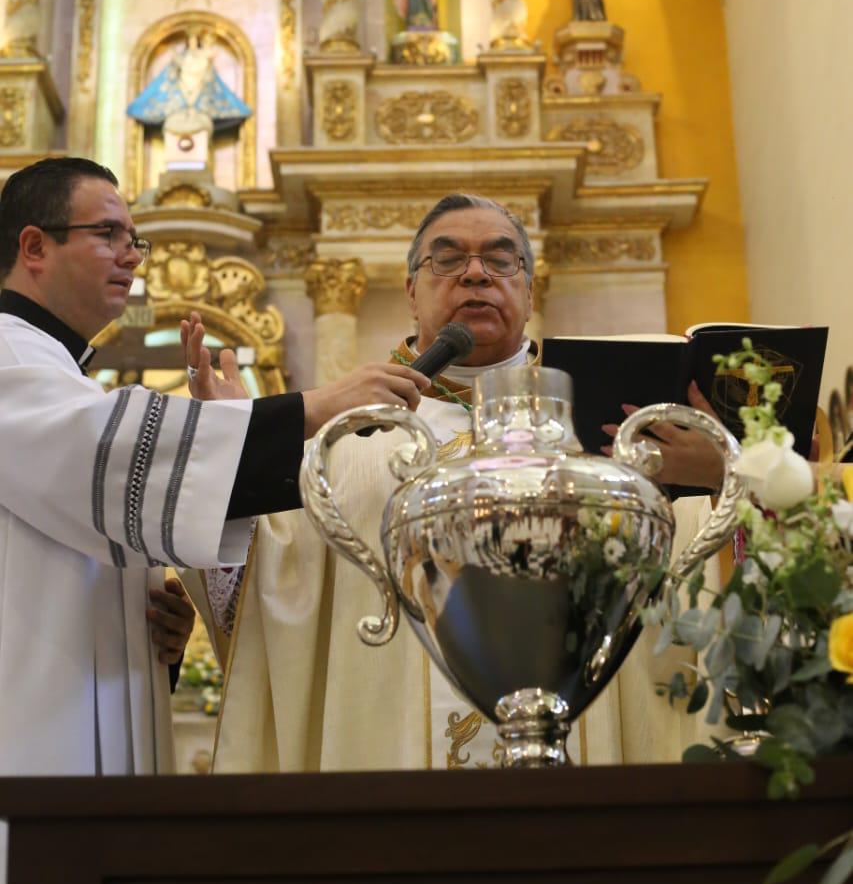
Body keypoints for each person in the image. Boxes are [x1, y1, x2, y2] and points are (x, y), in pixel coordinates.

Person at [214, 193, 720, 772]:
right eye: (447, 260)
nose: (476, 273)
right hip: (397, 769)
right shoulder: (347, 445)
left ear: (529, 290)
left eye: (501, 261)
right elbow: (269, 589)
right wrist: (235, 450)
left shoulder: (608, 433)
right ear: (411, 292)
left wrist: (735, 471)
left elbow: (693, 572)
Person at [0, 156, 428, 775]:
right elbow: (103, 450)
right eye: (109, 235)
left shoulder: (57, 368)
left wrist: (151, 630)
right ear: (35, 245)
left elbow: (83, 516)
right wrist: (315, 408)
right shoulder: (11, 357)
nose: (132, 255)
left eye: (134, 239)